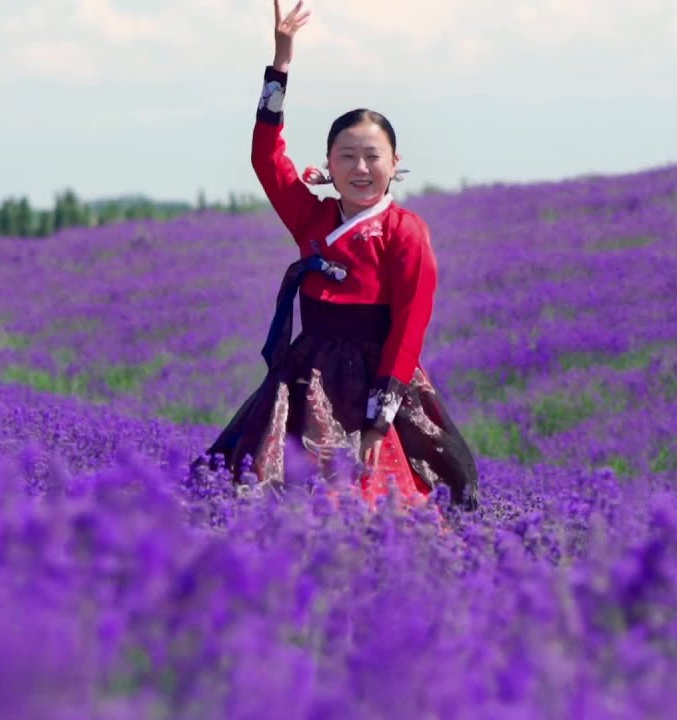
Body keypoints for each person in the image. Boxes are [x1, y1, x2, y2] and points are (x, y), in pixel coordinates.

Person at [199, 0, 479, 511]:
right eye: (346, 156)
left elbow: (409, 328)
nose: (360, 167)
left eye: (373, 156)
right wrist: (280, 65)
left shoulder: (405, 231)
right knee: (268, 492)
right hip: (306, 379)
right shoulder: (314, 218)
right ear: (328, 165)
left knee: (377, 503)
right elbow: (266, 157)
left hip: (378, 384)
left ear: (396, 164)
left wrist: (379, 420)